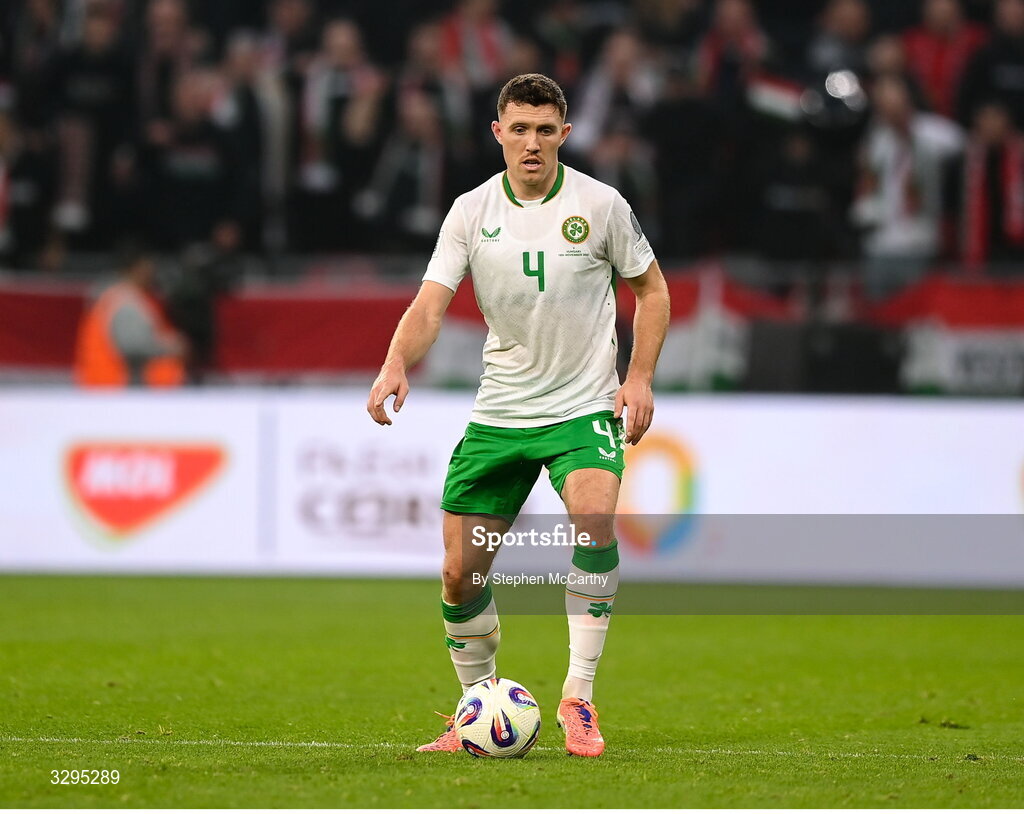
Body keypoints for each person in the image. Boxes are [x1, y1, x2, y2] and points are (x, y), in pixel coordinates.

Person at [366, 73, 670, 757]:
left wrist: (639, 376)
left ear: (564, 134)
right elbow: (430, 305)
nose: (532, 143)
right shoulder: (470, 212)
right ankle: (476, 707)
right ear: (498, 133)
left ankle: (578, 698)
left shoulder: (601, 204)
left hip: (582, 406)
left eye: (545, 130)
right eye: (519, 129)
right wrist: (395, 362)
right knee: (459, 574)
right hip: (500, 412)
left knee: (595, 518)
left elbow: (653, 292)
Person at [74, 241, 186, 387]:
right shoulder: (125, 301)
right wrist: (172, 346)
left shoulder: (111, 297)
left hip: (104, 387)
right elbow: (133, 346)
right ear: (139, 267)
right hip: (116, 391)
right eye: (150, 265)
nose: (153, 272)